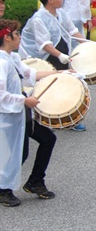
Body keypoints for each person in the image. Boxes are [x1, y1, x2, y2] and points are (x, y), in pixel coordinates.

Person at [0, 19, 63, 207]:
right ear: (7, 36)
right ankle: (3, 190)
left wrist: (61, 73)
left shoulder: (12, 57)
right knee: (16, 153)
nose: (20, 36)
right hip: (8, 116)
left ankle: (35, 182)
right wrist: (24, 100)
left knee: (47, 139)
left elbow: (30, 74)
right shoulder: (1, 63)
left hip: (21, 114)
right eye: (17, 33)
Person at [19, 0, 86, 71]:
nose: (61, 0)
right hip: (46, 57)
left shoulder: (61, 12)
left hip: (61, 52)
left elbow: (73, 31)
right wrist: (60, 55)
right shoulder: (38, 19)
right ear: (50, 1)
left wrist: (88, 44)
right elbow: (44, 44)